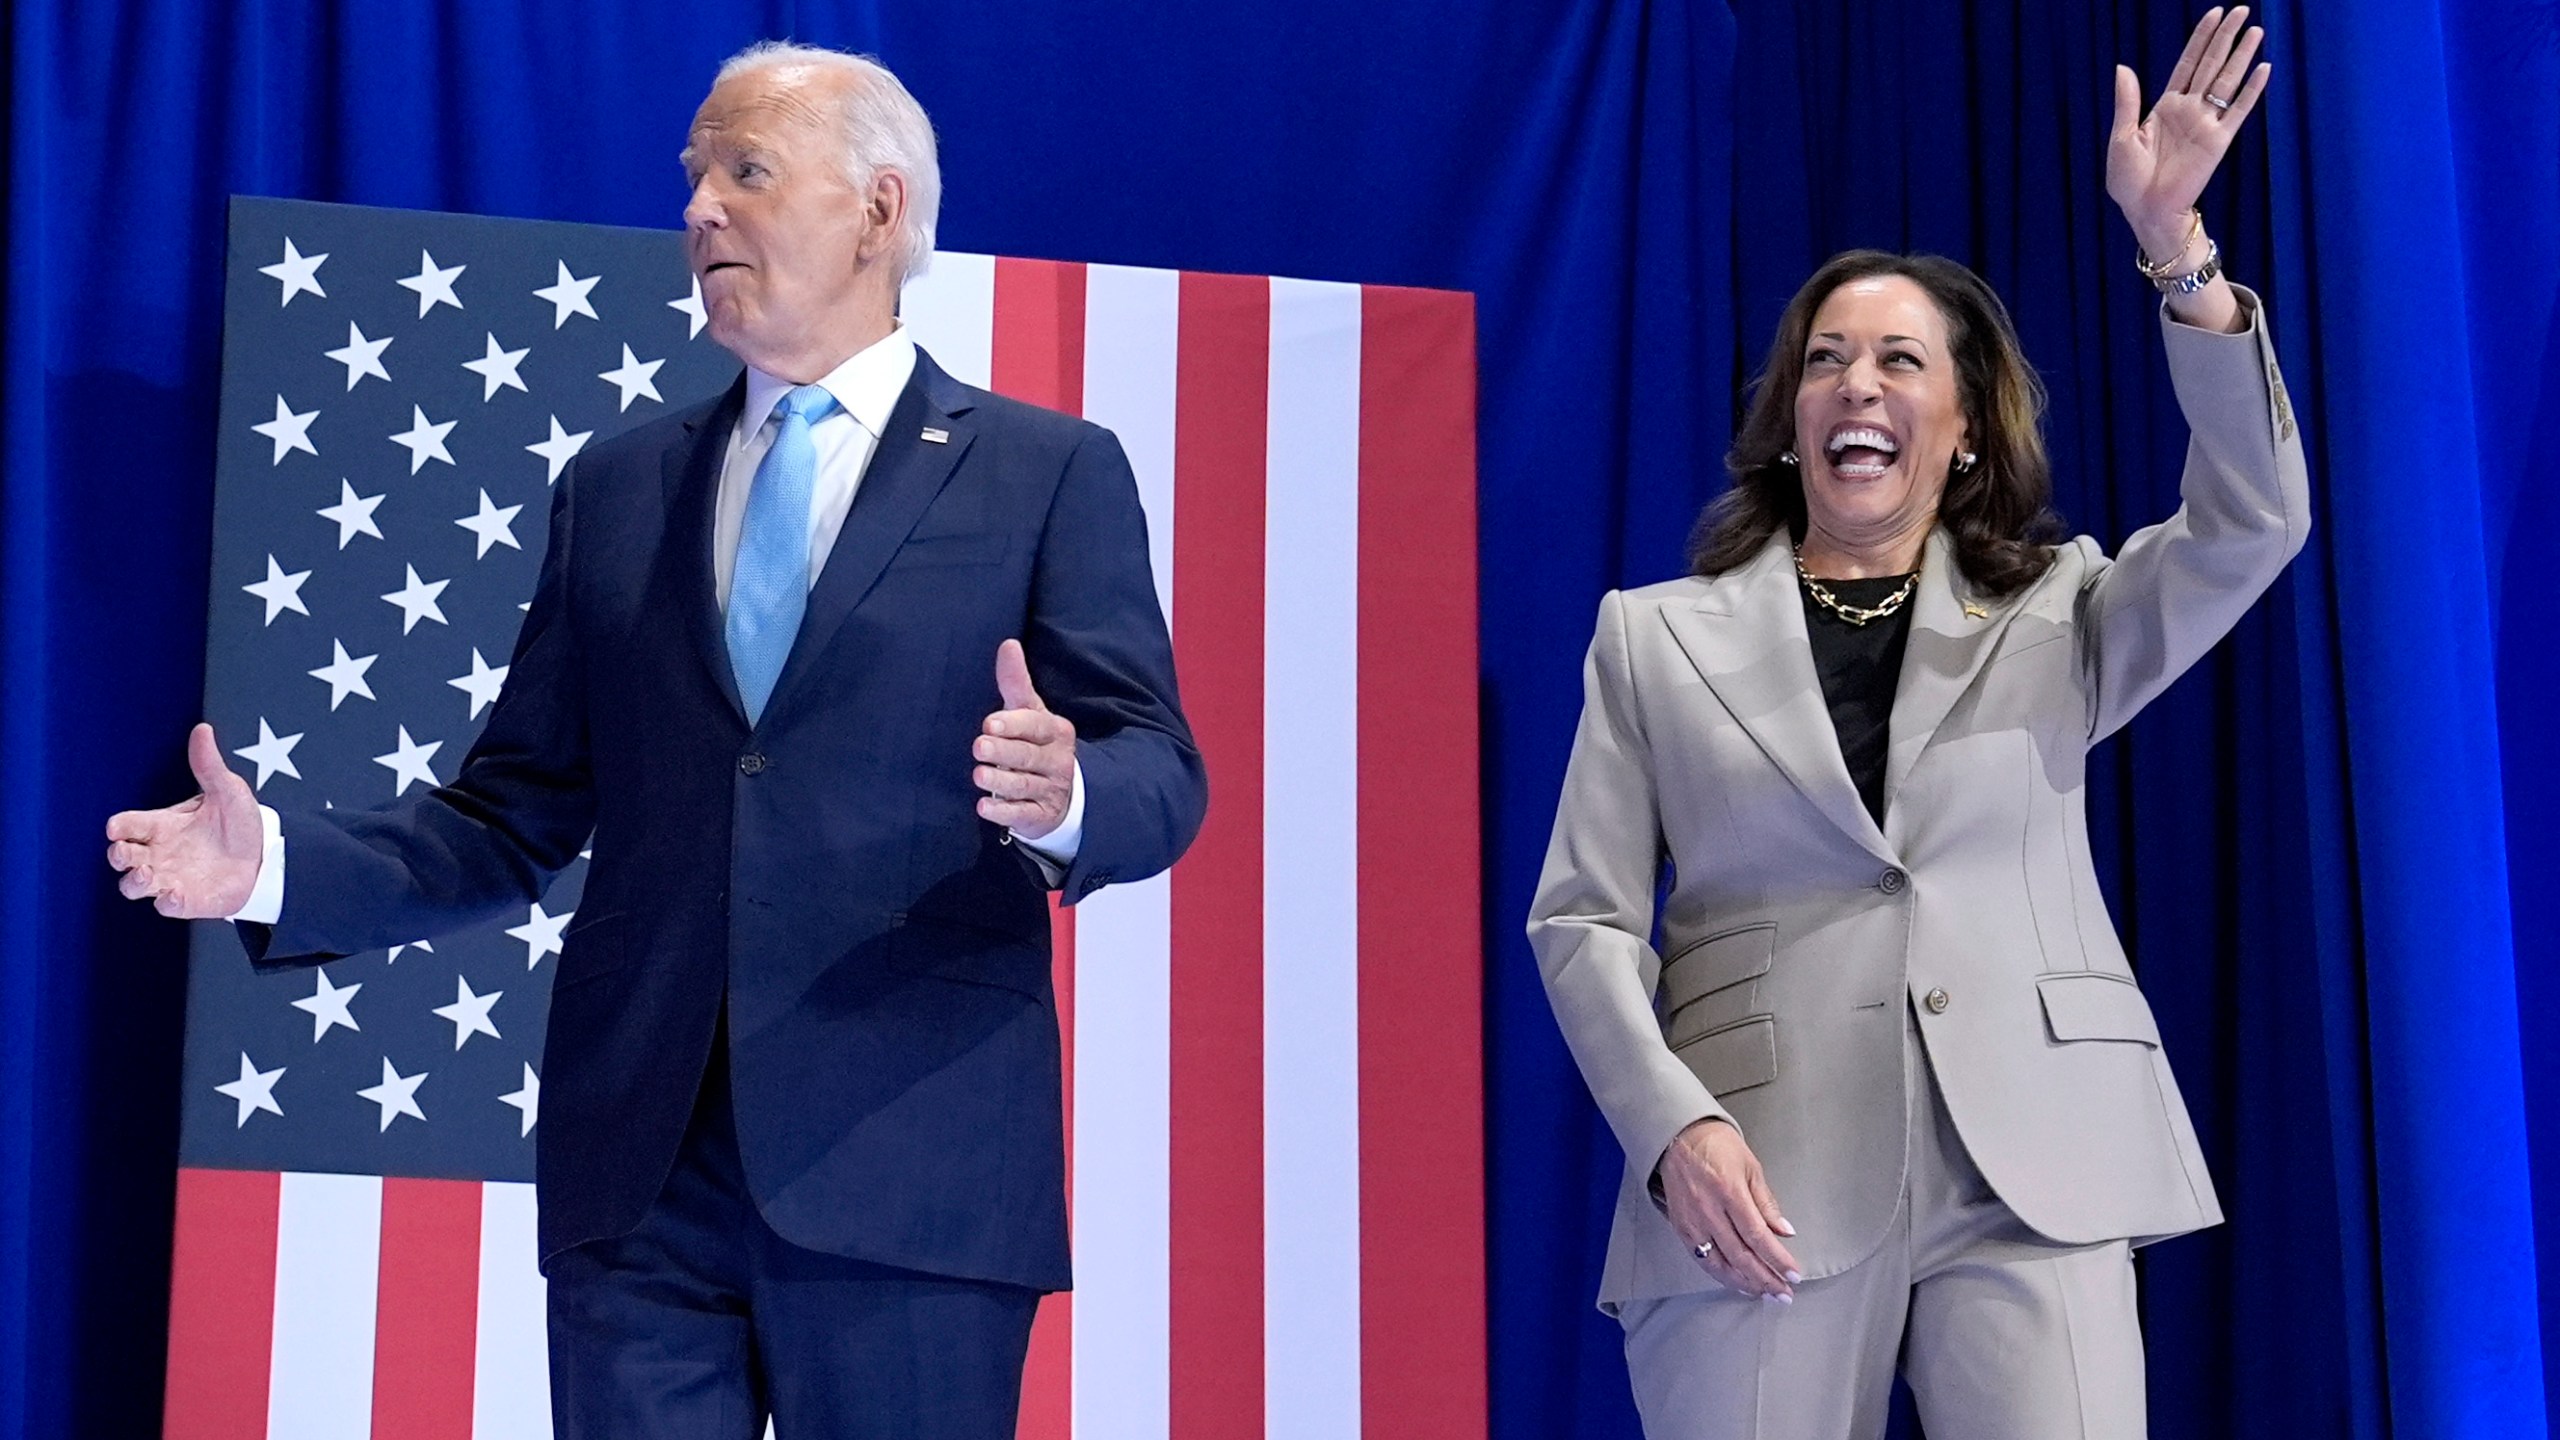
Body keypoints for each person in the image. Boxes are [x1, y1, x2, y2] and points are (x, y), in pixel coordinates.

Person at [106, 42, 1204, 1440]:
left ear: (878, 210)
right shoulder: (617, 488)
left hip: (910, 1177)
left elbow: (1160, 769)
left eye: (746, 171)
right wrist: (272, 864)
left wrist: (1068, 798)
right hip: (640, 1177)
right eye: (694, 176)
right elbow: (510, 817)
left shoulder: (1048, 472)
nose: (699, 211)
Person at [1525, 10, 2299, 1437]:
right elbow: (1578, 921)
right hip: (1760, 1176)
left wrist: (2181, 254)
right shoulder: (1654, 637)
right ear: (1785, 414)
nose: (1858, 388)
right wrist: (1672, 1127)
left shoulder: (2061, 610)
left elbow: (2254, 521)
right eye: (1828, 361)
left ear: (1961, 427)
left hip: (2035, 1168)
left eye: (1899, 364)